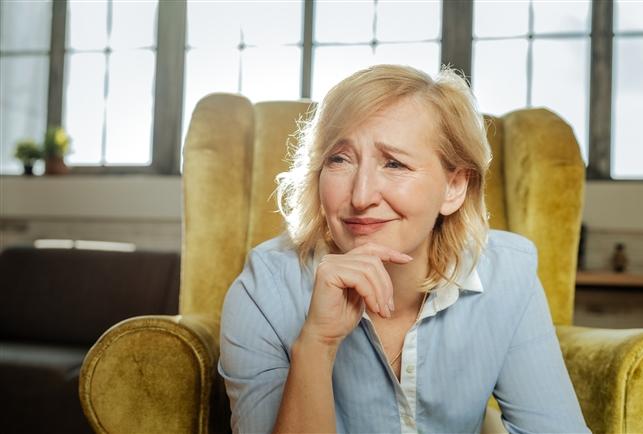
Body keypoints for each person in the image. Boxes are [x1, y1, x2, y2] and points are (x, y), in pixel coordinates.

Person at [218, 64, 591, 434]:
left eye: (394, 163)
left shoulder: (508, 274)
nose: (361, 197)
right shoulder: (263, 290)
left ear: (454, 187)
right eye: (339, 159)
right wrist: (317, 343)